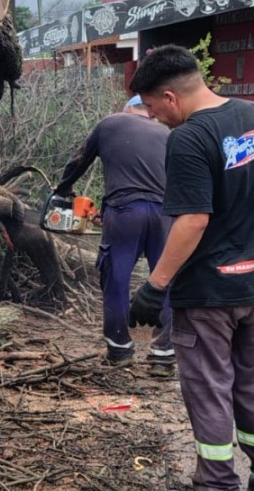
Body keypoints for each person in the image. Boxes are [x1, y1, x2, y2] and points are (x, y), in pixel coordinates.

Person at [127, 44, 254, 491]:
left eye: (153, 108)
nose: (155, 118)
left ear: (169, 96)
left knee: (207, 388)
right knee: (253, 381)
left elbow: (192, 222)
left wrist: (155, 286)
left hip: (210, 292)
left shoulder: (187, 139)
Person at [54, 94, 174, 373]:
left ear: (127, 110)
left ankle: (119, 349)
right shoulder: (166, 133)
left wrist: (63, 189)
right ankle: (163, 354)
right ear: (150, 112)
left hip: (124, 212)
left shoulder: (110, 123)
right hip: (165, 213)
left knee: (116, 277)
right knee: (166, 278)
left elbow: (78, 160)